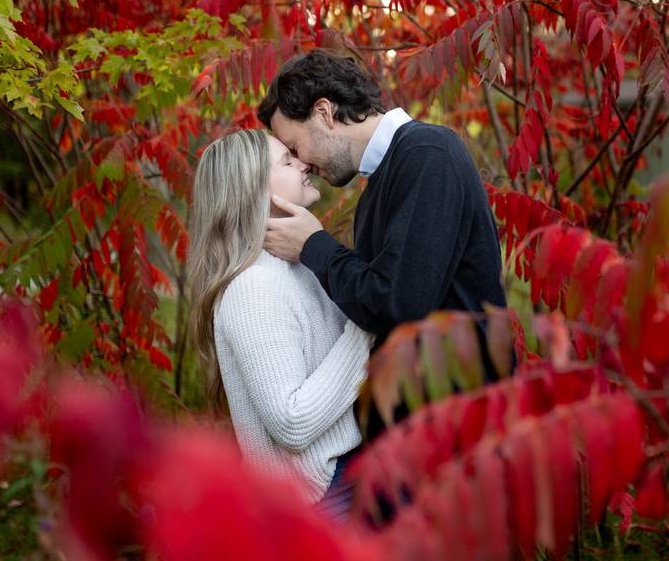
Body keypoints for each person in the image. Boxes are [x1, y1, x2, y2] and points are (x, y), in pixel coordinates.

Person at [258, 50, 508, 428]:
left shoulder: (427, 155)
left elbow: (399, 303)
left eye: (295, 148)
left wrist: (314, 246)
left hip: (459, 438)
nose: (302, 164)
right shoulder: (381, 184)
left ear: (325, 112)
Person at [186, 128, 372, 518]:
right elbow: (291, 421)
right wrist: (369, 320)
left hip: (346, 475)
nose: (304, 163)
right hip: (318, 498)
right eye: (287, 162)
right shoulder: (251, 287)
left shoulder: (295, 264)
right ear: (253, 193)